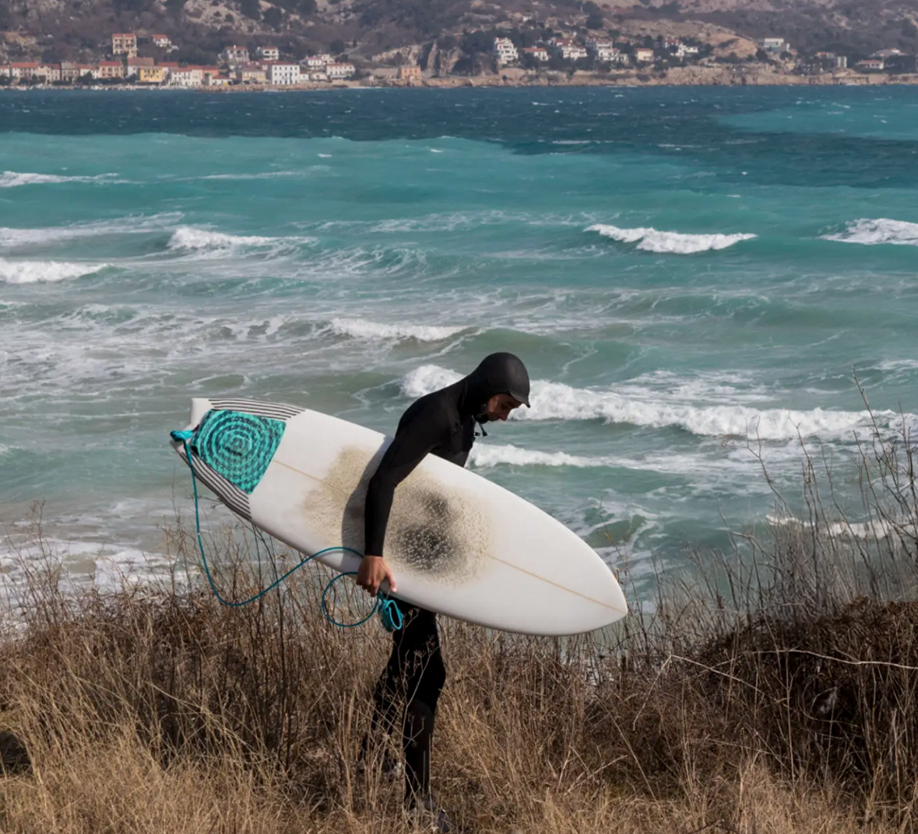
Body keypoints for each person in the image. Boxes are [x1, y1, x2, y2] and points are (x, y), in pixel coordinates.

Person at [356, 352, 531, 831]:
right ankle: (417, 804)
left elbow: (431, 492)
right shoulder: (437, 415)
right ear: (488, 389)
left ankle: (367, 766)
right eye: (506, 405)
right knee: (428, 673)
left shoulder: (465, 423)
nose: (506, 415)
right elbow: (386, 478)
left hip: (417, 563)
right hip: (395, 563)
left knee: (404, 668)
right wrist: (374, 553)